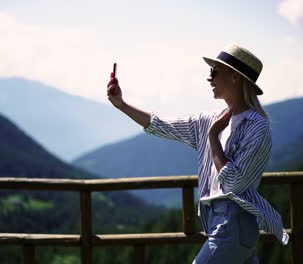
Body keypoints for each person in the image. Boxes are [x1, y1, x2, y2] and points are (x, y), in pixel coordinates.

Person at [106, 44, 289, 263]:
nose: (208, 77)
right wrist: (121, 104)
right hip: (220, 222)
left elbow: (233, 183)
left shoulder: (256, 127)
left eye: (214, 71)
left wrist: (213, 138)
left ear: (234, 77)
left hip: (233, 223)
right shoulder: (209, 119)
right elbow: (161, 125)